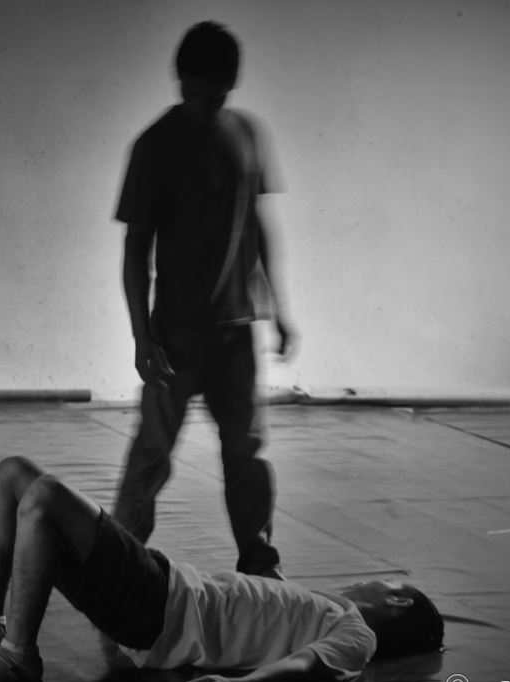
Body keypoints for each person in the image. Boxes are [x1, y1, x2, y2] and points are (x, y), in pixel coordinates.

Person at [0, 457, 443, 682]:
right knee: (10, 476)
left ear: (395, 600)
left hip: (162, 604)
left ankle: (16, 653)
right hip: (159, 588)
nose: (370, 580)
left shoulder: (357, 634)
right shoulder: (319, 604)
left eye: (383, 582)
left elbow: (303, 668)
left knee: (45, 493)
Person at [113, 20, 296, 578]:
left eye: (215, 95)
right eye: (193, 92)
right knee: (152, 452)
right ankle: (118, 564)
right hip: (178, 333)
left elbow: (260, 225)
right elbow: (135, 249)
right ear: (178, 80)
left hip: (237, 330)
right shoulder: (154, 146)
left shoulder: (248, 134)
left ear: (231, 86)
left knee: (247, 451)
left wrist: (280, 308)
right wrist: (143, 337)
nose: (202, 104)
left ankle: (260, 566)